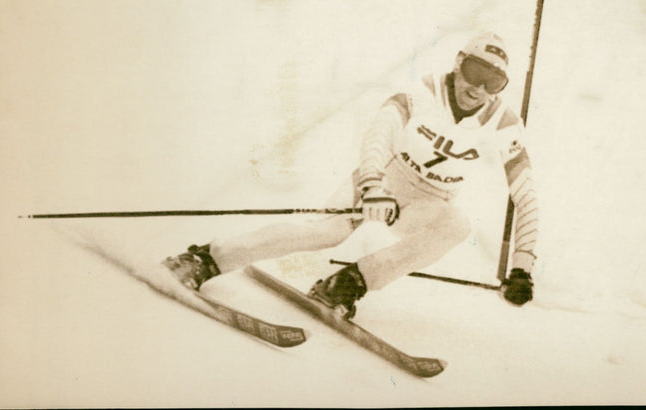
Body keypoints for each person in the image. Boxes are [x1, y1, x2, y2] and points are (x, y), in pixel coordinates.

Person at [164, 32, 539, 316]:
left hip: (430, 201)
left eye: (493, 82)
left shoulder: (504, 124)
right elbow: (379, 134)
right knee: (325, 231)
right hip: (387, 177)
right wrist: (374, 185)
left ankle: (348, 282)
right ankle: (206, 259)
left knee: (456, 227)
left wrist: (522, 266)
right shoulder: (421, 93)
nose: (478, 87)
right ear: (458, 64)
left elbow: (526, 194)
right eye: (474, 72)